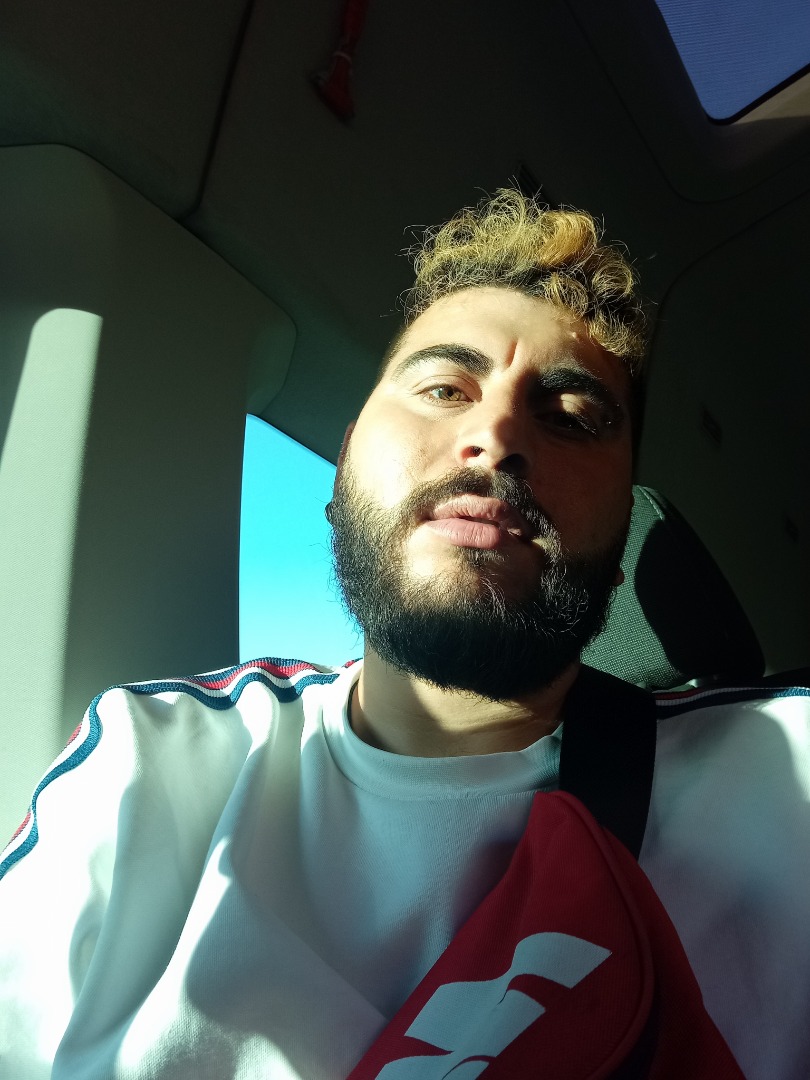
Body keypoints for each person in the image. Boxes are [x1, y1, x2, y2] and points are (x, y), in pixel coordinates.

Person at [1, 190, 808, 1080]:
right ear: (345, 462)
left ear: (621, 535)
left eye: (571, 418)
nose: (494, 435)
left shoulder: (788, 786)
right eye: (443, 389)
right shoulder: (148, 763)